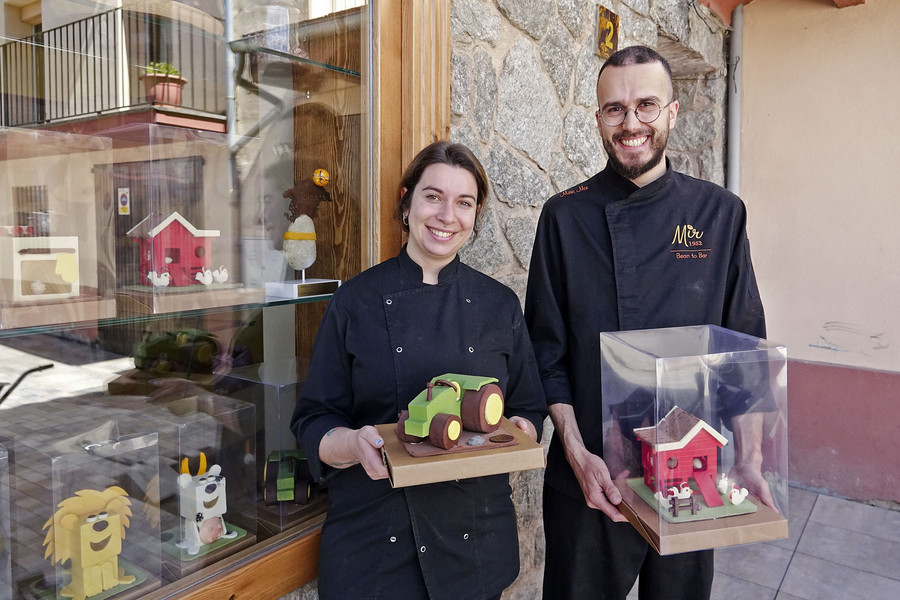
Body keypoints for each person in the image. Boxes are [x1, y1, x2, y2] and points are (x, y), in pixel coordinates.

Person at [524, 46, 769, 600]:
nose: (630, 123)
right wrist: (576, 452)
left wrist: (750, 459)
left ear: (673, 112)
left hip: (688, 471)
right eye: (615, 109)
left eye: (646, 106)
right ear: (598, 118)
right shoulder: (563, 216)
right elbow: (546, 353)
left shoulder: (719, 213)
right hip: (589, 481)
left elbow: (745, 346)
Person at [291, 141, 548, 600]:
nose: (447, 215)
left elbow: (528, 406)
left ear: (475, 214)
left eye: (463, 202)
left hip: (474, 540)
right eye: (433, 196)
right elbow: (314, 420)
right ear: (407, 202)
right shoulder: (355, 302)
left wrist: (510, 436)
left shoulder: (499, 306)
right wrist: (353, 444)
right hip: (376, 542)